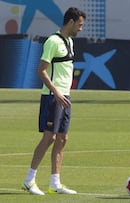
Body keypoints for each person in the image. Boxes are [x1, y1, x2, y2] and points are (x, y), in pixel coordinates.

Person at [21, 7, 86, 195]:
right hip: (52, 97)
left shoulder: (70, 41)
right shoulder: (53, 41)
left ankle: (55, 183)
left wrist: (64, 93)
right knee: (49, 137)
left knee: (63, 138)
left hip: (65, 96)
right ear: (71, 22)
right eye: (80, 25)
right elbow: (41, 70)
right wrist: (56, 92)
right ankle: (29, 180)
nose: (81, 28)